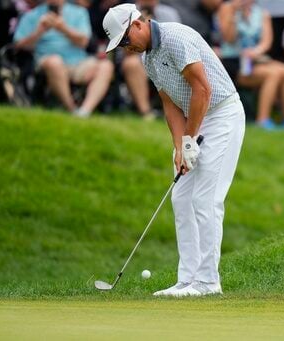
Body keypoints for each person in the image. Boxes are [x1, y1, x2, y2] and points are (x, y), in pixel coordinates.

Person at [103, 3, 245, 296]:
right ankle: (188, 279)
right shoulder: (147, 58)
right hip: (195, 120)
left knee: (206, 199)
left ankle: (208, 282)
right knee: (181, 198)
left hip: (221, 114)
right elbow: (170, 105)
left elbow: (202, 90)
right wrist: (180, 147)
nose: (126, 48)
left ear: (137, 25)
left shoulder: (176, 38)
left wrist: (191, 139)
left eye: (125, 40)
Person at [14, 0, 114, 117]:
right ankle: (71, 109)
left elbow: (84, 42)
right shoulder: (32, 15)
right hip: (47, 61)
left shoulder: (79, 12)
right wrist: (39, 31)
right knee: (55, 62)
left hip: (77, 62)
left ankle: (84, 111)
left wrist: (63, 29)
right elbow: (19, 46)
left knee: (106, 66)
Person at [217, 0, 284, 129]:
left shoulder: (262, 13)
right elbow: (228, 38)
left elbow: (266, 41)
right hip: (233, 61)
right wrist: (234, 13)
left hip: (254, 59)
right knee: (274, 74)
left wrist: (255, 51)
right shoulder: (227, 8)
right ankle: (262, 119)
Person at [120, 0, 181, 120]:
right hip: (140, 60)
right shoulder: (129, 14)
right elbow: (127, 51)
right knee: (130, 64)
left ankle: (176, 112)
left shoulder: (170, 13)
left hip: (167, 59)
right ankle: (146, 113)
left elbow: (177, 42)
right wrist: (142, 28)